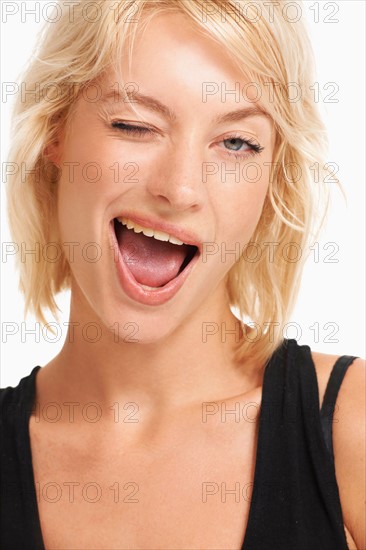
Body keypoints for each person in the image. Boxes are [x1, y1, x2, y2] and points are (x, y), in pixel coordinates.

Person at [1, 0, 365, 549]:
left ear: (273, 178)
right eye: (134, 124)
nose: (180, 188)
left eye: (237, 143)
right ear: (55, 133)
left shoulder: (350, 425)